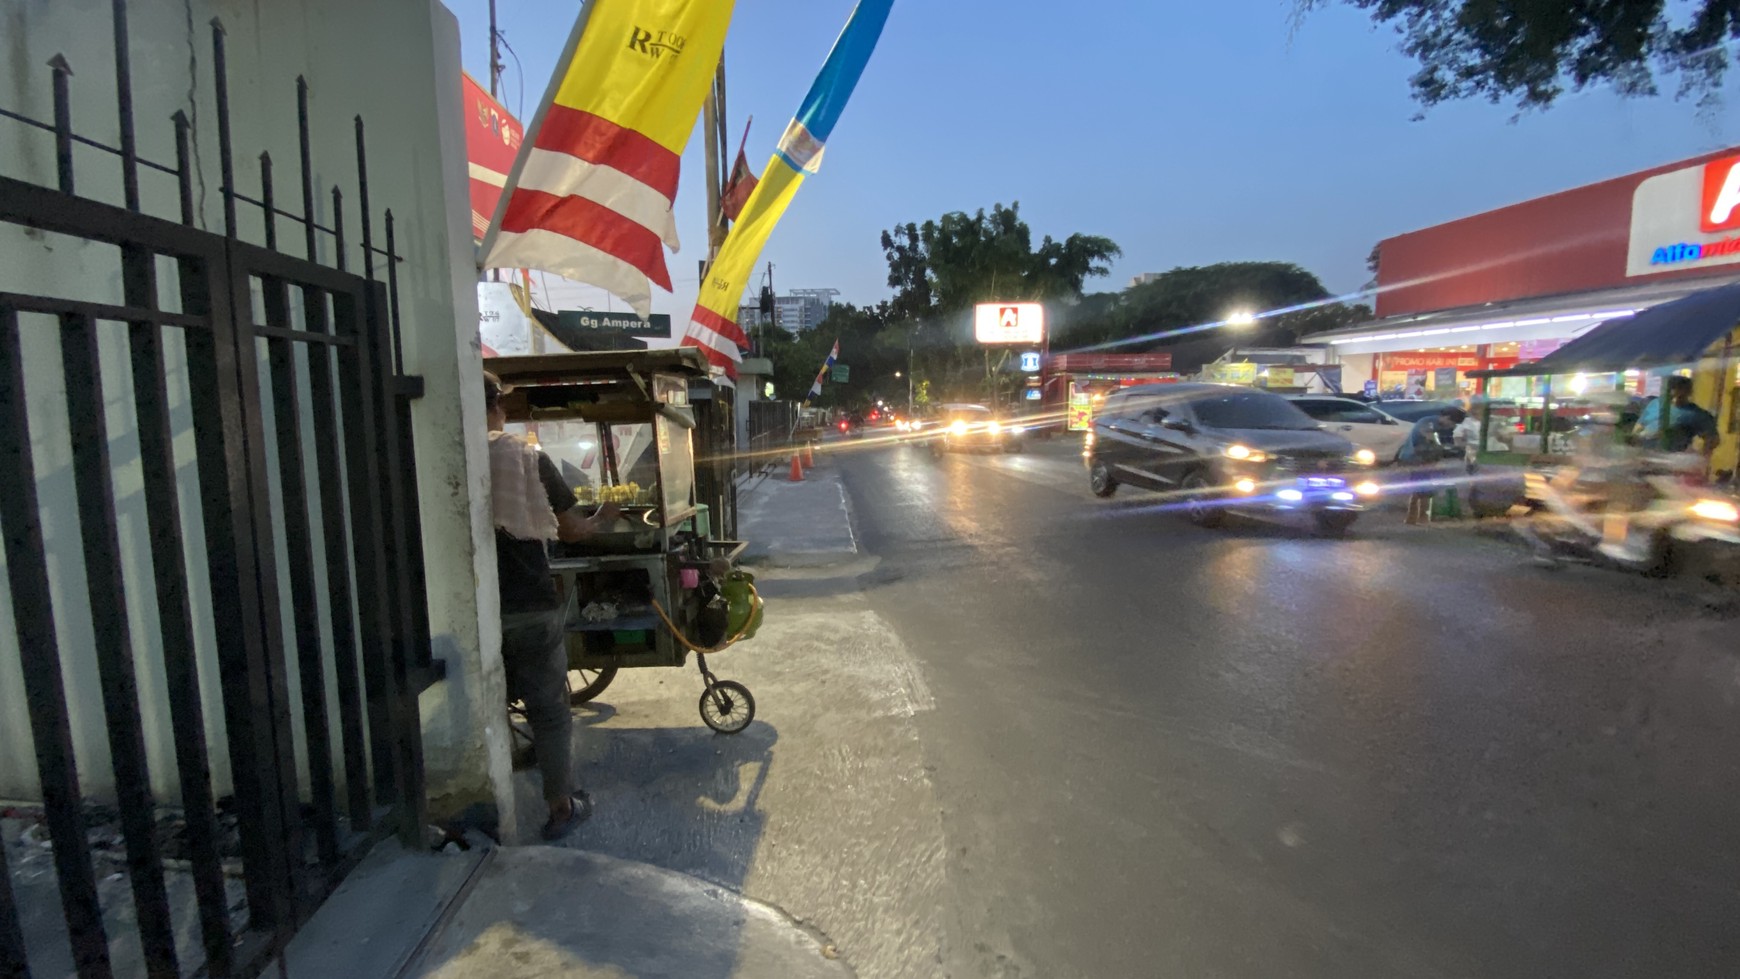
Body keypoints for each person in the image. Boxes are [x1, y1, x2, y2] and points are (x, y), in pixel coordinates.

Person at [484, 370, 619, 840]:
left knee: (488, 703)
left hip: (474, 614)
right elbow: (570, 529)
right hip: (530, 605)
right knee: (549, 708)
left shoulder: (448, 453)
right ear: (497, 406)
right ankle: (561, 807)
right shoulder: (525, 457)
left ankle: (487, 800)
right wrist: (605, 516)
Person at [1396, 406, 1466, 524]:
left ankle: (1412, 518)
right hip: (1415, 457)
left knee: (1420, 486)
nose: (1452, 426)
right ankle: (1420, 518)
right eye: (1452, 422)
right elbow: (1432, 439)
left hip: (1424, 457)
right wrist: (1443, 448)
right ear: (1446, 417)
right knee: (1423, 487)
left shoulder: (1436, 424)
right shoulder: (1428, 423)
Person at [1635, 376, 1720, 457]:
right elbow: (1638, 428)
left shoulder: (1696, 414)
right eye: (1671, 397)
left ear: (1689, 393)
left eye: (1680, 397)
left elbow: (1713, 439)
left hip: (1672, 459)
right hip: (1645, 454)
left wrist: (1699, 457)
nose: (1675, 400)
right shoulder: (1655, 404)